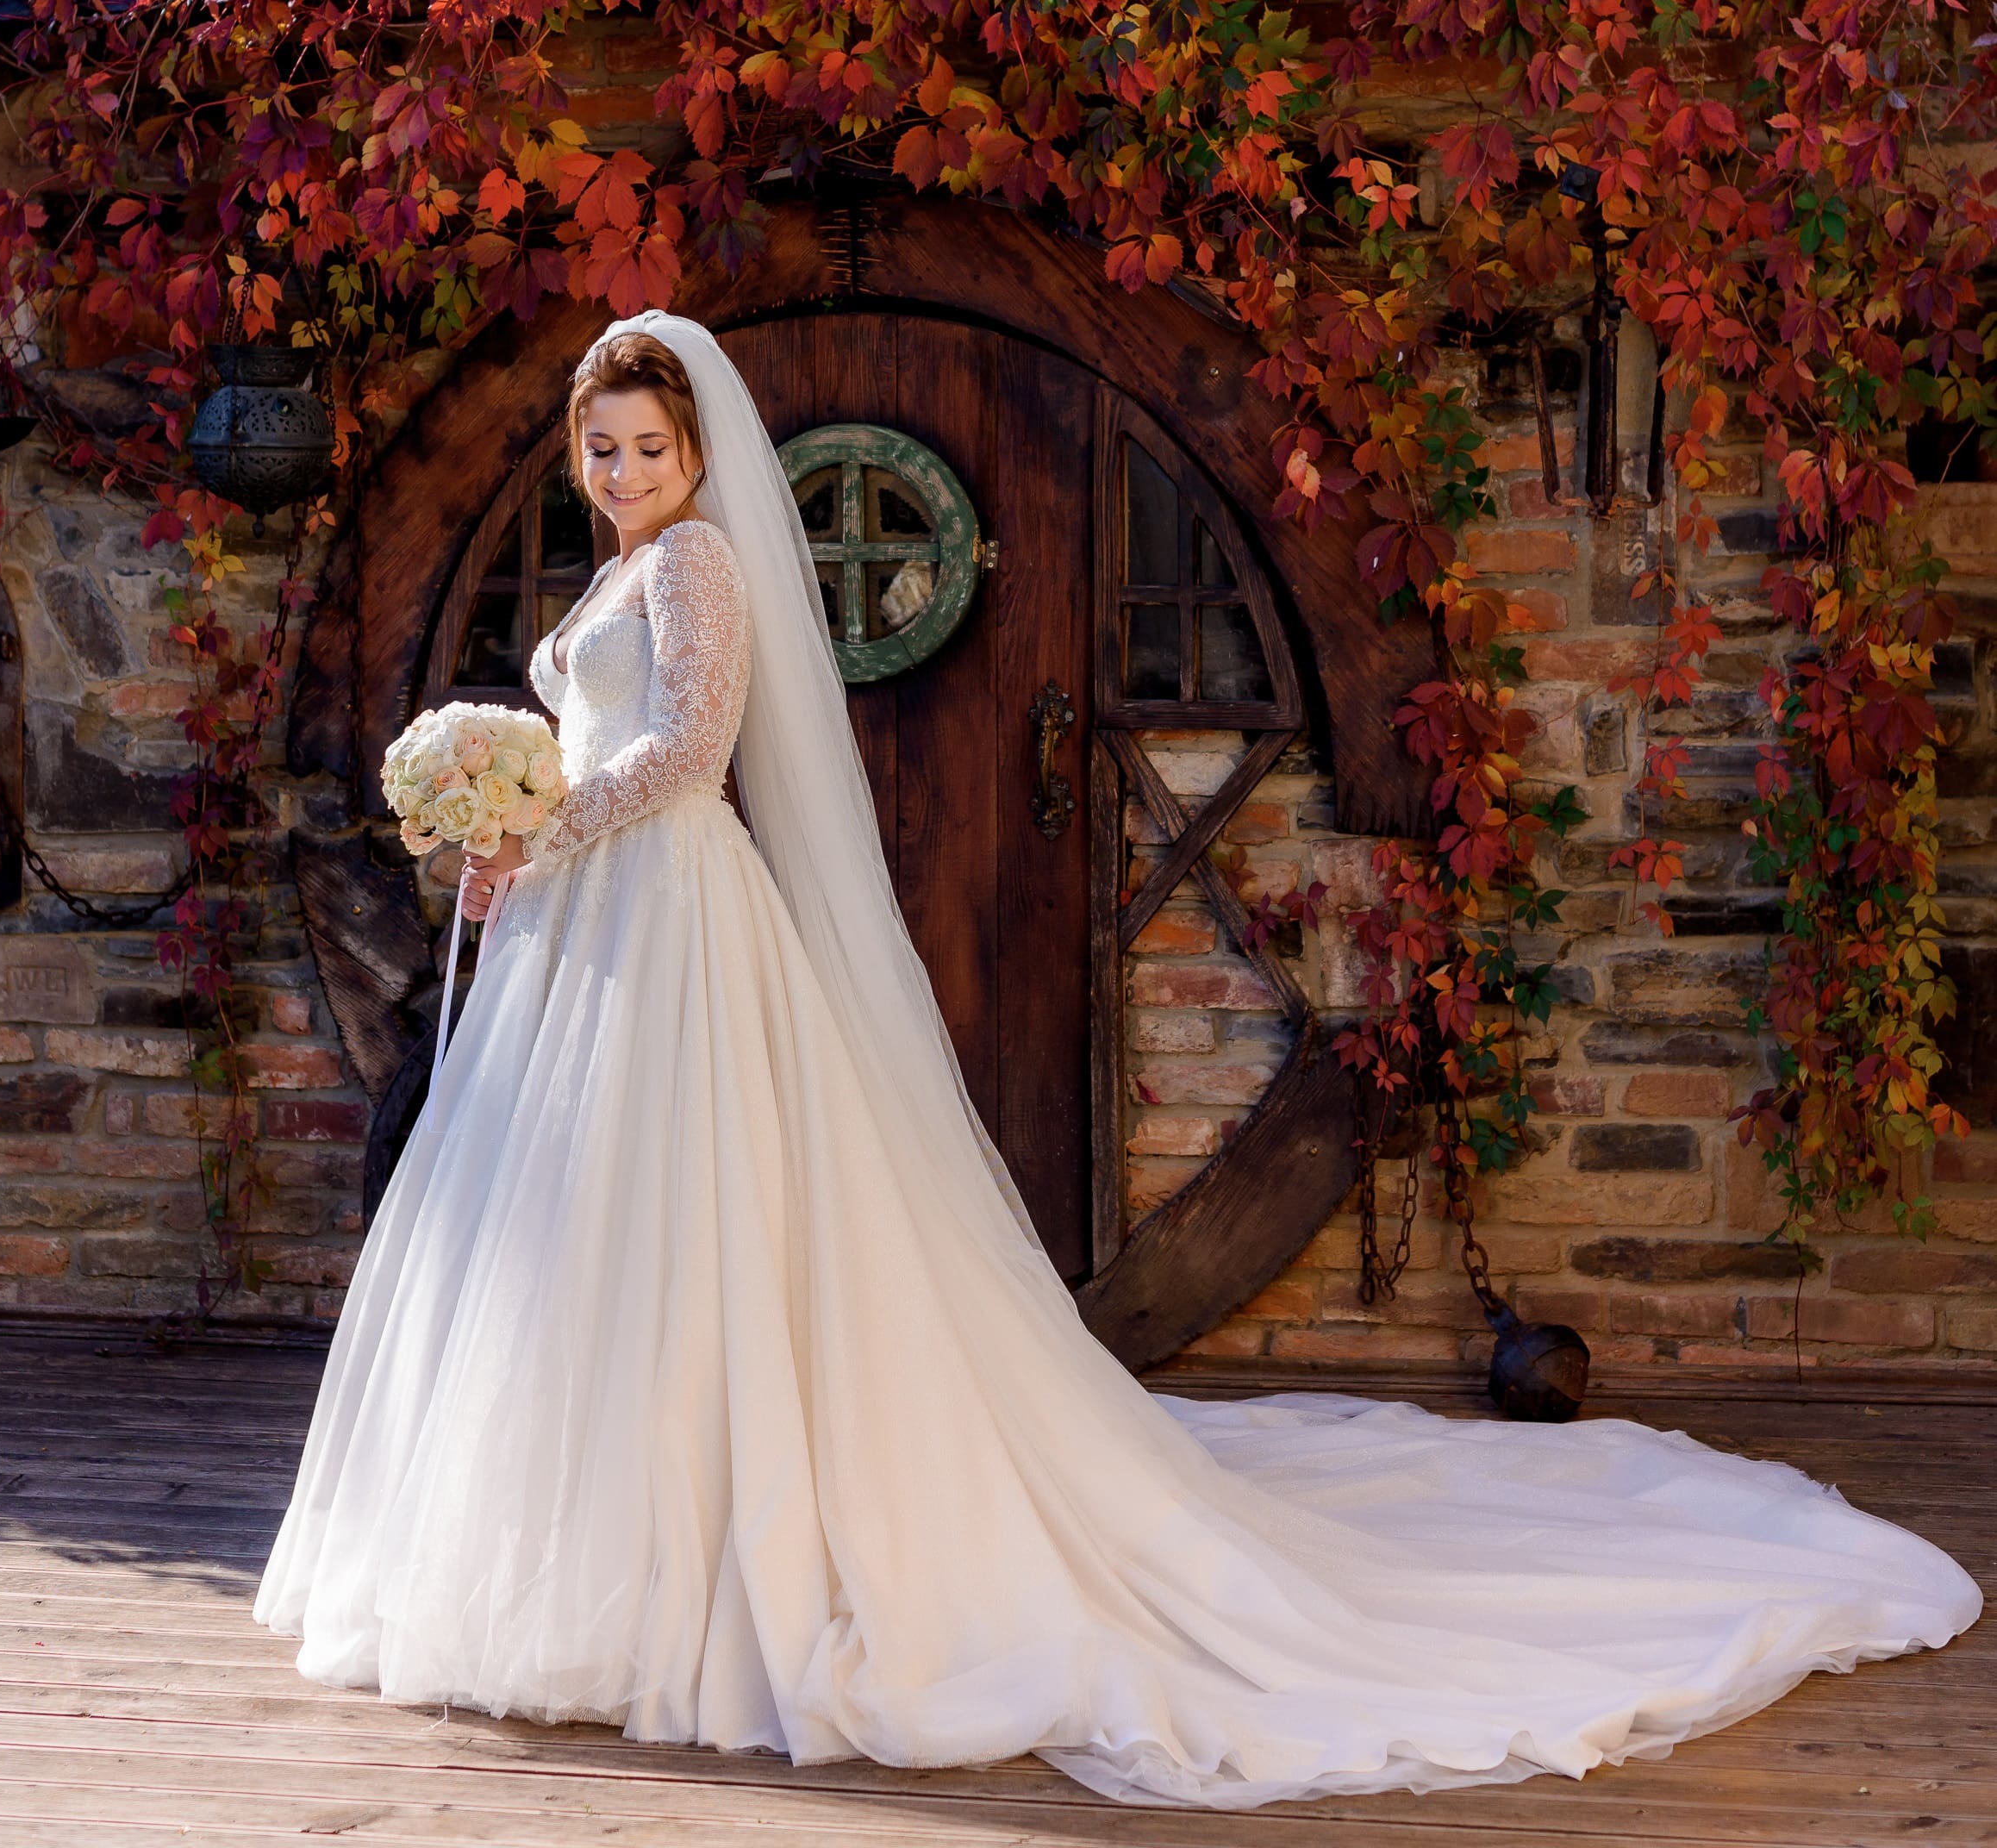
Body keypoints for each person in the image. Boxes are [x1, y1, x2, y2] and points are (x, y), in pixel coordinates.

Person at [254, 312, 1981, 1809]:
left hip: (670, 911)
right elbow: (599, 747)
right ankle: (592, 1546)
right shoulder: (620, 570)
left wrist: (546, 822)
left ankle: (689, 1556)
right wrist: (509, 835)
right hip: (586, 925)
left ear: (698, 453)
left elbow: (688, 756)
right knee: (578, 1237)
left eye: (649, 446)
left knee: (682, 1217)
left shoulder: (697, 564)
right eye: (604, 449)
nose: (626, 471)